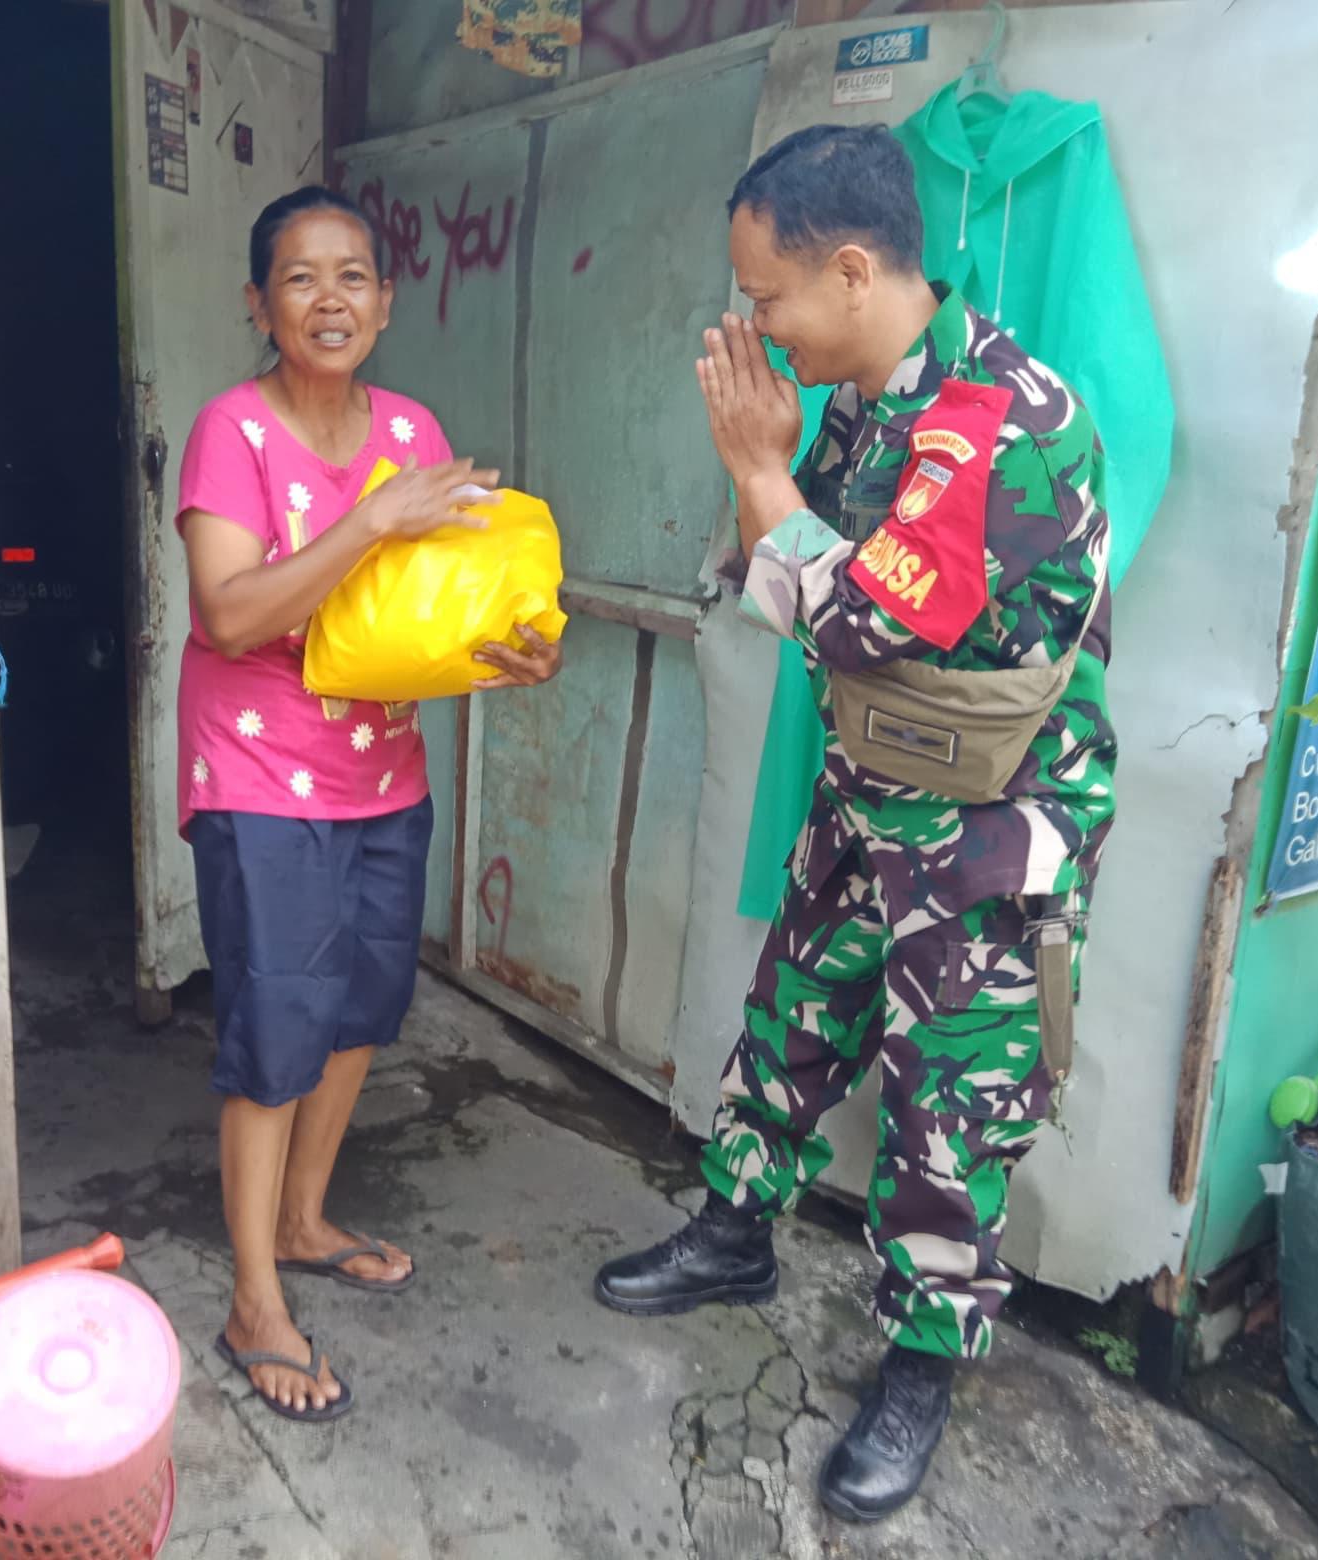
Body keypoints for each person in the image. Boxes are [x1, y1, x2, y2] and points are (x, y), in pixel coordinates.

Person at [595, 125, 1117, 1521]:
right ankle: (733, 1232)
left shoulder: (994, 420)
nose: (754, 324)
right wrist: (773, 476)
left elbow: (866, 622)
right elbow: (780, 581)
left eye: (766, 297)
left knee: (948, 1110)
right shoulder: (871, 405)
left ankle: (922, 1365)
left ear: (847, 270)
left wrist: (759, 468)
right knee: (790, 1024)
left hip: (988, 831)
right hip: (871, 790)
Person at [177, 185, 561, 1422]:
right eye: (300, 278)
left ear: (386, 303)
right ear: (259, 304)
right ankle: (252, 1300)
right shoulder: (231, 431)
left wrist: (511, 648)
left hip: (382, 774)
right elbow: (229, 614)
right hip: (257, 772)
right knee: (275, 1029)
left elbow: (431, 610)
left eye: (352, 277)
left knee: (358, 1011)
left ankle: (302, 1220)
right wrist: (372, 518)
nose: (329, 299)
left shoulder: (411, 427)